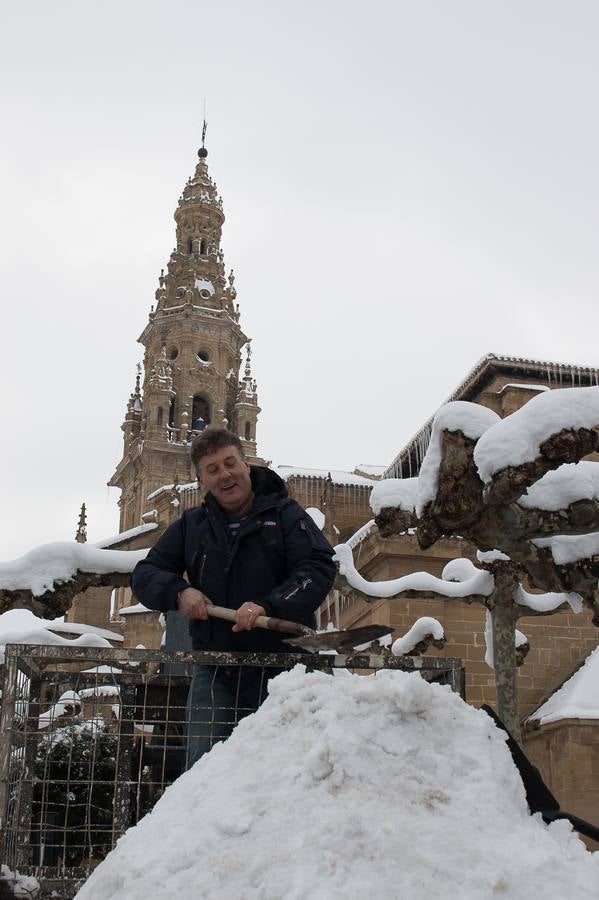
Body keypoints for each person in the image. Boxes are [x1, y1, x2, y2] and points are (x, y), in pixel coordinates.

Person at [131, 427, 336, 767]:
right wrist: (180, 592)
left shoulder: (286, 515)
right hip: (216, 671)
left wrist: (269, 605)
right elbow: (145, 574)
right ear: (201, 482)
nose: (224, 474)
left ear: (246, 465)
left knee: (286, 769)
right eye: (212, 469)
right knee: (204, 771)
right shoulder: (191, 526)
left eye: (230, 464)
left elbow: (317, 568)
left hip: (284, 670)